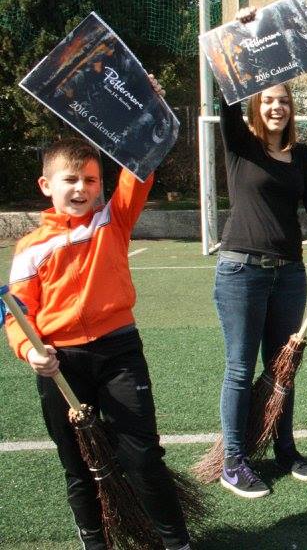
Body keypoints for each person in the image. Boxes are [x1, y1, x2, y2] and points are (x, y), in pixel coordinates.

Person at [4, 78, 192, 550]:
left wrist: (149, 103)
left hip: (118, 352)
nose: (82, 188)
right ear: (47, 186)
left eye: (91, 179)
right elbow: (16, 317)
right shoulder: (29, 250)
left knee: (143, 455)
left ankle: (175, 541)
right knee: (79, 463)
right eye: (71, 179)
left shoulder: (114, 218)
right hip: (60, 362)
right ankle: (95, 542)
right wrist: (31, 351)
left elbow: (141, 162)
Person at [213, 6, 307, 498]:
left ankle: (284, 448)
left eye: (284, 102)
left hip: (288, 275)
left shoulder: (300, 156)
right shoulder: (240, 145)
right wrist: (237, 32)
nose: (277, 108)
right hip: (242, 271)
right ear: (258, 106)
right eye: (269, 101)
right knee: (239, 367)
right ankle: (233, 460)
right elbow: (225, 93)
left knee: (282, 364)